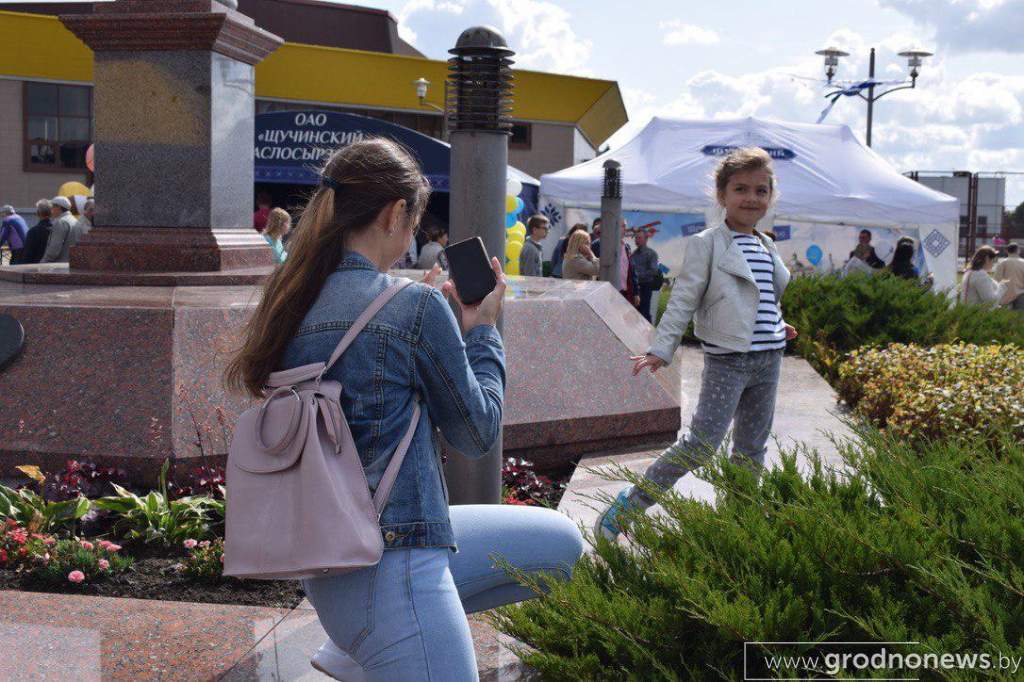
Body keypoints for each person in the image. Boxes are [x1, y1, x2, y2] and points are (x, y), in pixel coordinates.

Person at [223, 138, 583, 681]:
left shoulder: (291, 297)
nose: (414, 236)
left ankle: (358, 650)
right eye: (414, 222)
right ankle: (388, 646)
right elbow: (476, 432)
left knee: (561, 543)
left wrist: (430, 320)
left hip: (326, 562)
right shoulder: (412, 306)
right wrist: (481, 330)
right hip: (396, 574)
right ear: (395, 213)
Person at [595, 147, 798, 541]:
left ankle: (739, 524)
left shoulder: (766, 245)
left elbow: (760, 297)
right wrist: (661, 348)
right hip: (729, 361)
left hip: (770, 358)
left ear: (770, 196)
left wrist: (775, 323)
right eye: (741, 188)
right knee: (701, 446)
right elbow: (685, 299)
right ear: (721, 195)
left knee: (752, 449)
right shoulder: (708, 244)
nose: (751, 198)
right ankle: (630, 505)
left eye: (761, 190)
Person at [631, 229, 660, 322]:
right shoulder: (633, 254)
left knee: (644, 312)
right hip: (635, 287)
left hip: (645, 286)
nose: (637, 240)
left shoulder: (651, 254)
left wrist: (638, 275)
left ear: (646, 239)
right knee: (634, 312)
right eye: (636, 238)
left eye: (639, 238)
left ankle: (648, 335)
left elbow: (653, 270)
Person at [41, 196, 81, 263]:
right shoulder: (75, 221)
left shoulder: (60, 222)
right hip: (72, 264)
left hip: (59, 266)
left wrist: (43, 262)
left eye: (52, 206)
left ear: (58, 207)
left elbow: (54, 249)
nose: (51, 209)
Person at [993, 243, 1024, 310]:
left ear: (1007, 251)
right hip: (1021, 294)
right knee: (1019, 318)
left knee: (1004, 318)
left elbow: (996, 280)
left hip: (1004, 294)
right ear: (1018, 251)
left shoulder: (1002, 263)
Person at [20, 200, 52, 265]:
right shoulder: (56, 229)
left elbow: (28, 254)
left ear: (37, 213)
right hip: (53, 267)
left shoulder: (33, 231)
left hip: (35, 267)